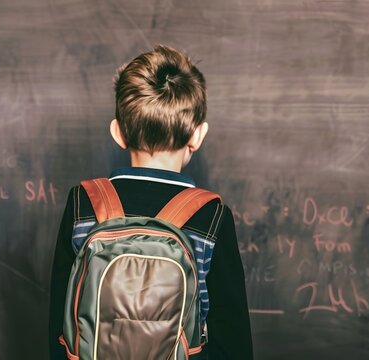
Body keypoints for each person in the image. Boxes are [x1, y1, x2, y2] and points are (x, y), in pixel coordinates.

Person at [48, 45, 253, 359]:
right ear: (198, 136)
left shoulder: (82, 203)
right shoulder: (211, 215)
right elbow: (231, 333)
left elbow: (61, 322)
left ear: (118, 132)